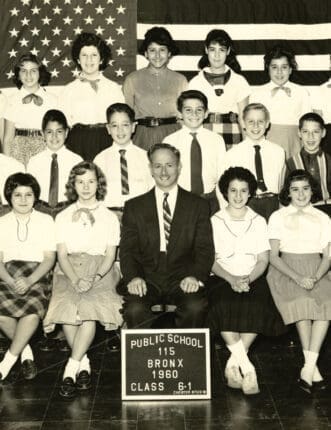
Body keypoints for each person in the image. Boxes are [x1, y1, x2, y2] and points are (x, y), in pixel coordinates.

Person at [43, 161, 122, 398]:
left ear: (98, 183)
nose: (86, 187)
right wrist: (76, 279)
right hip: (68, 270)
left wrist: (95, 277)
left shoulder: (109, 217)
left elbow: (110, 255)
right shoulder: (63, 216)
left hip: (101, 269)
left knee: (88, 309)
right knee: (68, 307)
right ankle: (83, 363)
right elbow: (62, 254)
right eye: (80, 182)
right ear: (72, 185)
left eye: (90, 181)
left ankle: (70, 369)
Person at [117, 143, 214, 329]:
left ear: (179, 167)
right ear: (150, 169)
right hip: (146, 277)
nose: (163, 172)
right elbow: (128, 250)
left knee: (195, 307)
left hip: (183, 276)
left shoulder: (198, 205)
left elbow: (205, 248)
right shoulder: (134, 206)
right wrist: (134, 277)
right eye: (157, 166)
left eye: (169, 165)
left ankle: (186, 357)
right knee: (134, 309)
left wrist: (195, 276)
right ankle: (145, 358)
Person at [207, 167, 286, 395]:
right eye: (233, 190)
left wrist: (248, 279)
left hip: (253, 276)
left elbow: (263, 259)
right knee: (222, 306)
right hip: (222, 276)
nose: (238, 196)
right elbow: (210, 261)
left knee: (258, 307)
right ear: (225, 192)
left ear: (250, 192)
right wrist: (231, 278)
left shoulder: (259, 221)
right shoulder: (214, 221)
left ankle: (233, 364)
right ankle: (247, 367)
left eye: (243, 190)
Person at [267, 169, 331, 394]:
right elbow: (273, 256)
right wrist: (297, 277)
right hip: (287, 270)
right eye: (295, 190)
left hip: (317, 269)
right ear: (288, 192)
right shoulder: (278, 216)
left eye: (305, 189)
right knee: (303, 302)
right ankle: (312, 367)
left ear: (312, 190)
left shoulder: (323, 218)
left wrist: (315, 277)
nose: (301, 194)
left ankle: (309, 367)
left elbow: (328, 255)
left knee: (326, 305)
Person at [0, 173, 56, 382]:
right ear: (9, 197)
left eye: (28, 195)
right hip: (8, 274)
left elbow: (49, 259)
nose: (23, 200)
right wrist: (10, 280)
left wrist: (30, 280)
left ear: (35, 196)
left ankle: (7, 360)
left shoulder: (46, 221)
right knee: (1, 314)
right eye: (17, 195)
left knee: (31, 313)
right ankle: (26, 353)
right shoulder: (2, 222)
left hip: (37, 273)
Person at [60, 32, 124, 161]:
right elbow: (63, 125)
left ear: (101, 59)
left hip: (106, 140)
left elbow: (120, 120)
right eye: (84, 55)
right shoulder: (68, 90)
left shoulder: (114, 88)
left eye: (94, 55)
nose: (89, 60)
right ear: (78, 59)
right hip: (78, 142)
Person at [123, 26, 187, 151]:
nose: (157, 55)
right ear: (146, 53)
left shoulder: (180, 80)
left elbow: (184, 114)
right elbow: (127, 116)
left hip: (173, 133)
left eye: (162, 50)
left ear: (169, 53)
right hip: (142, 135)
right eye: (152, 50)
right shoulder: (132, 79)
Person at [163, 90, 226, 215]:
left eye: (199, 110)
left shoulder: (217, 140)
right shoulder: (170, 141)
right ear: (180, 113)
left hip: (210, 201)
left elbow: (222, 175)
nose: (194, 114)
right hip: (181, 200)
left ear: (206, 113)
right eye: (188, 110)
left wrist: (224, 207)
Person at [220, 103, 285, 220]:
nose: (256, 126)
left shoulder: (279, 151)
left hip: (272, 204)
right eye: (250, 121)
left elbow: (281, 184)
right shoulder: (232, 154)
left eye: (260, 121)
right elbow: (225, 188)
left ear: (267, 124)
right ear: (243, 124)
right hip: (246, 203)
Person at [188, 29, 250, 149]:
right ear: (206, 50)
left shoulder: (239, 81)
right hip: (205, 131)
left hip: (232, 133)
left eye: (221, 50)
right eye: (212, 49)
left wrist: (247, 146)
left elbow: (244, 118)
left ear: (228, 51)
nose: (217, 55)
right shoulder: (195, 82)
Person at [250, 45, 311, 159]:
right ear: (268, 68)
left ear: (290, 69)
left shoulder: (301, 92)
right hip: (266, 144)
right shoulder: (257, 93)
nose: (279, 72)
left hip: (294, 145)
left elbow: (307, 124)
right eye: (274, 67)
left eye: (284, 67)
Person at [94, 103, 153, 219]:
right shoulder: (100, 159)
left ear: (133, 127)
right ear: (108, 129)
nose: (120, 131)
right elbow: (95, 194)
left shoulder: (146, 157)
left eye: (125, 125)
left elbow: (152, 190)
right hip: (109, 216)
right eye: (115, 126)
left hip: (139, 215)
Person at [3, 53, 58, 166]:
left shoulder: (53, 100)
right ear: (18, 75)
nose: (28, 75)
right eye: (23, 71)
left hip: (44, 146)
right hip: (18, 149)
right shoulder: (11, 101)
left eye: (33, 70)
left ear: (40, 73)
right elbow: (8, 138)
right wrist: (7, 164)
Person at [27, 109, 83, 219]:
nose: (54, 137)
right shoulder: (34, 162)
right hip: (40, 209)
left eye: (59, 131)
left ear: (66, 133)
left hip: (67, 209)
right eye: (49, 132)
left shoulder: (76, 160)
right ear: (42, 134)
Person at [286, 112, 331, 215]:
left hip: (327, 209)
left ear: (323, 133)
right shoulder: (291, 163)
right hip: (300, 211)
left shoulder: (329, 161)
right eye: (305, 131)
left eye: (316, 131)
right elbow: (286, 195)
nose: (310, 137)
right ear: (299, 133)